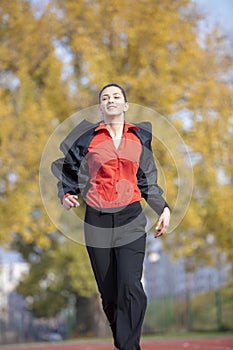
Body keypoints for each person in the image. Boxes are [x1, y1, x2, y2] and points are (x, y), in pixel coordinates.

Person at [51, 83, 170, 350]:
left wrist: (163, 207)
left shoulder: (138, 138)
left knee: (130, 284)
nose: (111, 100)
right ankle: (123, 341)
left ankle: (130, 347)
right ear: (101, 107)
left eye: (116, 96)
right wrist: (67, 193)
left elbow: (146, 179)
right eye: (105, 98)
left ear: (125, 105)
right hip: (97, 221)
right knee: (110, 294)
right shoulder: (87, 138)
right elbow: (68, 169)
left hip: (131, 217)